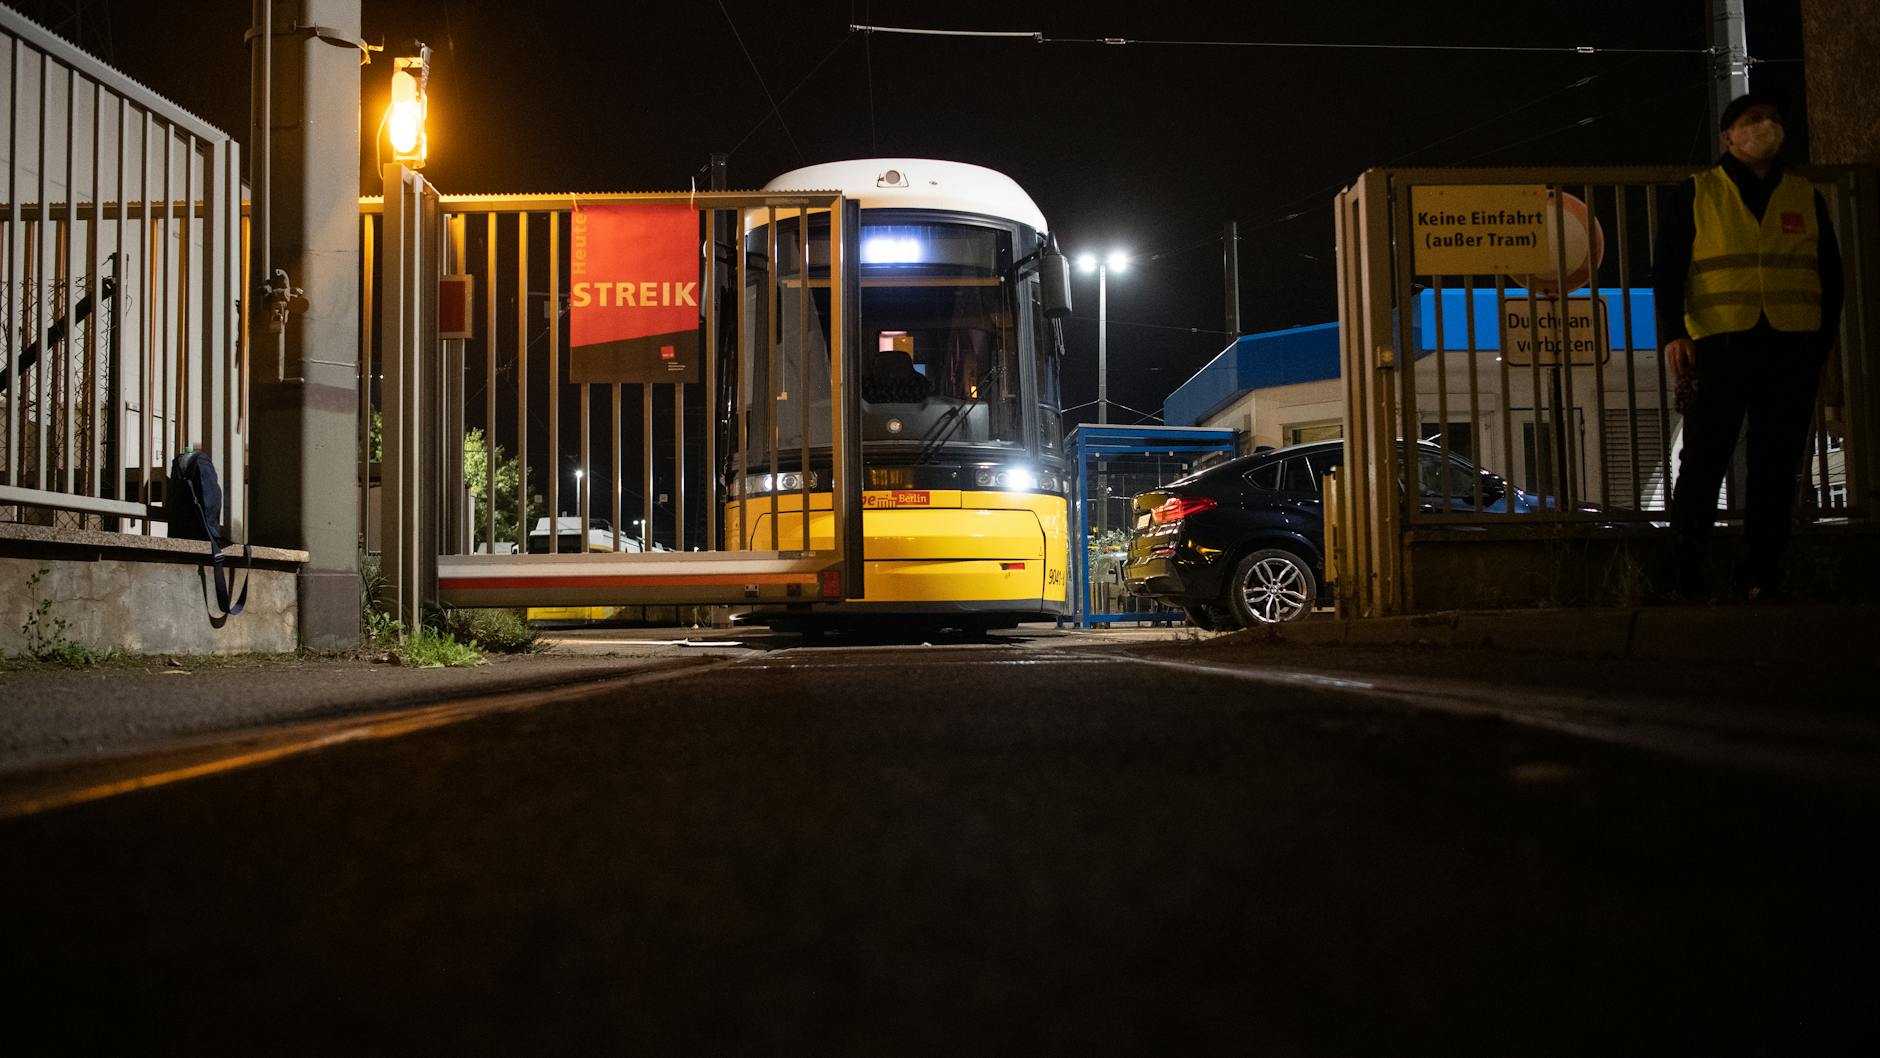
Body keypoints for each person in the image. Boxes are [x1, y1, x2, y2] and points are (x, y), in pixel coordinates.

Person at [1654, 90, 1843, 602]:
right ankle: (1685, 574)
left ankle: (1762, 575)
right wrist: (1675, 332)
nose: (1766, 126)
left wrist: (1819, 344)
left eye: (1774, 119)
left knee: (1776, 465)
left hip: (1790, 348)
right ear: (1728, 136)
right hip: (1720, 344)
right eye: (1753, 119)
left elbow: (1831, 275)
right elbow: (1669, 269)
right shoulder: (1700, 192)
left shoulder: (1803, 194)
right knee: (1703, 462)